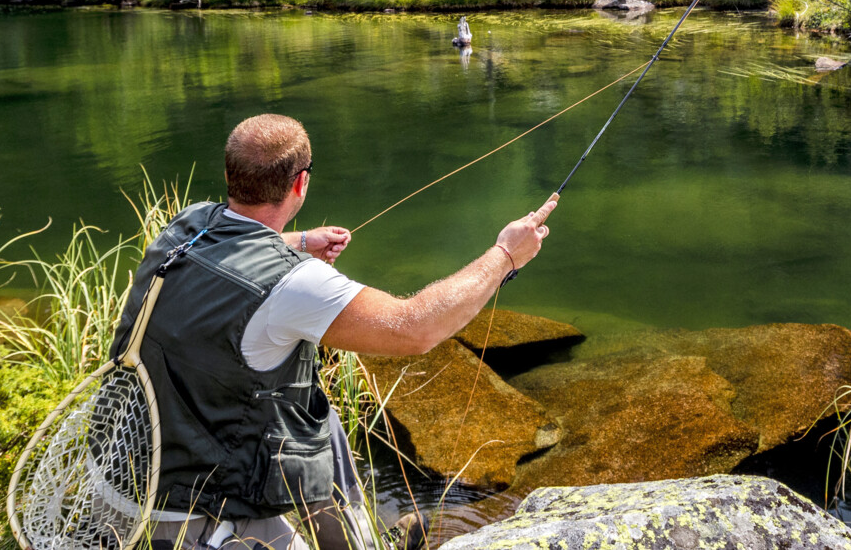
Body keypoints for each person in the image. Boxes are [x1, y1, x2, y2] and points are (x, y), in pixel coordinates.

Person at [113, 113, 557, 550]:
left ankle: (360, 541)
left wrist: (304, 241)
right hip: (187, 519)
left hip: (123, 472)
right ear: (300, 183)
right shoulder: (295, 284)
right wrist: (505, 255)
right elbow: (416, 328)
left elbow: (237, 247)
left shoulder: (189, 224)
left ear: (230, 175)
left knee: (317, 420)